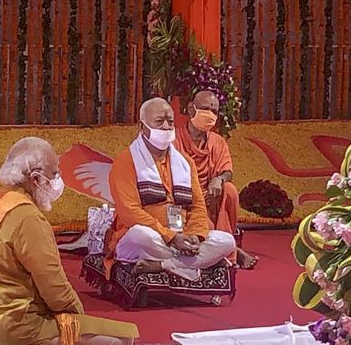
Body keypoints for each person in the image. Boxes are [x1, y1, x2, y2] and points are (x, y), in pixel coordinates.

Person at [0, 137, 139, 345]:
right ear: (35, 178)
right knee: (122, 340)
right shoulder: (28, 218)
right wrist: (76, 314)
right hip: (17, 328)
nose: (59, 181)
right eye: (54, 174)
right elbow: (53, 285)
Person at [104, 98, 236, 282]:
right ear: (142, 127)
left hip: (181, 237)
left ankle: (164, 265)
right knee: (141, 235)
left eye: (170, 122)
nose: (166, 127)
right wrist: (171, 237)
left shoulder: (185, 162)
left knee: (227, 241)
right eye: (159, 122)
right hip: (146, 240)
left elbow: (198, 206)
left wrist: (195, 235)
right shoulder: (126, 161)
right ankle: (193, 264)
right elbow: (130, 213)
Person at [174, 90, 259, 269]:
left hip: (210, 197)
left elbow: (227, 170)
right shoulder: (174, 140)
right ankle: (231, 252)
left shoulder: (217, 142)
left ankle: (228, 251)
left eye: (214, 111)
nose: (210, 115)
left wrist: (219, 179)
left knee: (229, 190)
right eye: (205, 109)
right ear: (191, 109)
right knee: (205, 224)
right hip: (184, 199)